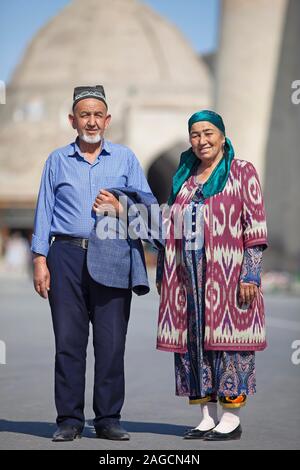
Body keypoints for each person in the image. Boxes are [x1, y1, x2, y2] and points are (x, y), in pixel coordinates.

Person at [31, 85, 156, 442]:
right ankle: (69, 419)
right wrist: (40, 258)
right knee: (68, 342)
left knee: (111, 342)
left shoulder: (126, 159)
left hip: (113, 254)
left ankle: (108, 419)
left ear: (108, 119)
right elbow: (43, 211)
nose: (91, 121)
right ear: (73, 120)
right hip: (66, 255)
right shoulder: (57, 160)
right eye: (84, 114)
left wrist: (120, 209)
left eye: (97, 114)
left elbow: (151, 212)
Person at [156, 110, 268, 441]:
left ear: (221, 135)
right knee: (193, 345)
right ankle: (206, 416)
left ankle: (231, 417)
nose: (201, 141)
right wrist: (165, 273)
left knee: (230, 342)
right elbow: (169, 226)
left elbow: (255, 226)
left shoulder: (242, 171)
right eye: (194, 134)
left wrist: (251, 275)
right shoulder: (184, 178)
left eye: (208, 133)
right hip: (186, 276)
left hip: (228, 274)